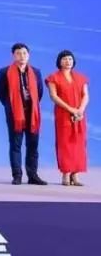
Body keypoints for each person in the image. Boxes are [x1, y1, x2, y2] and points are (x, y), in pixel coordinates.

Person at [0, 43, 47, 185]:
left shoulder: (36, 72)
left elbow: (39, 92)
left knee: (33, 145)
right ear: (13, 55)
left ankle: (33, 175)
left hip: (32, 114)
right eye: (18, 53)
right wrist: (11, 105)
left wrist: (31, 105)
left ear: (28, 55)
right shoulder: (5, 72)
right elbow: (0, 92)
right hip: (14, 114)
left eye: (24, 53)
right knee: (15, 145)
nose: (22, 56)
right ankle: (17, 175)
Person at [46, 50, 89, 186]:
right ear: (59, 61)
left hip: (79, 116)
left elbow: (85, 95)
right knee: (65, 144)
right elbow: (54, 96)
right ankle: (66, 174)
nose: (67, 61)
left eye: (70, 59)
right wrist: (71, 110)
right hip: (63, 114)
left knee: (79, 144)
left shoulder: (81, 77)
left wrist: (80, 110)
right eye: (64, 59)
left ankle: (75, 175)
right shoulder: (53, 77)